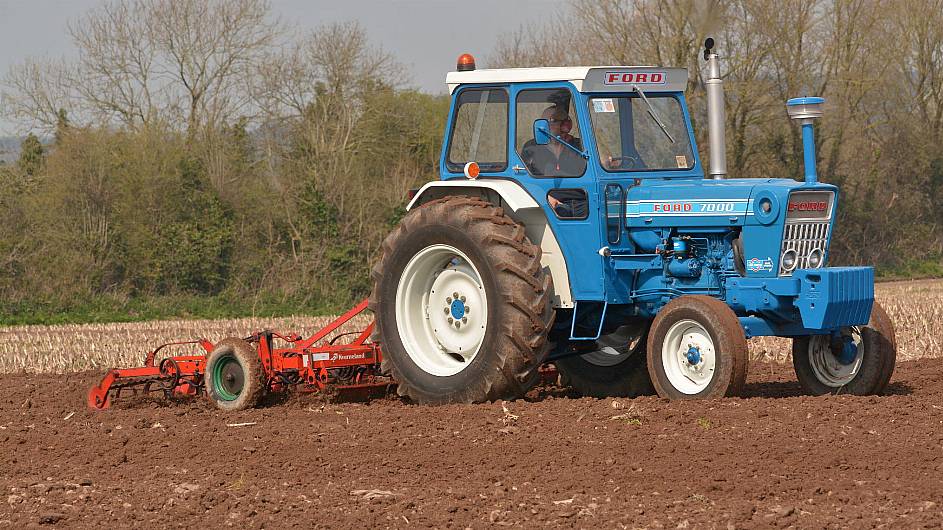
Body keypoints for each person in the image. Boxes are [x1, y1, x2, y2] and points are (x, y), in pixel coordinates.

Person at [520, 106, 586, 177]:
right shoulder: (531, 147)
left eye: (551, 120)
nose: (544, 125)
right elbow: (523, 176)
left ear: (565, 125)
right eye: (543, 121)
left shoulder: (580, 146)